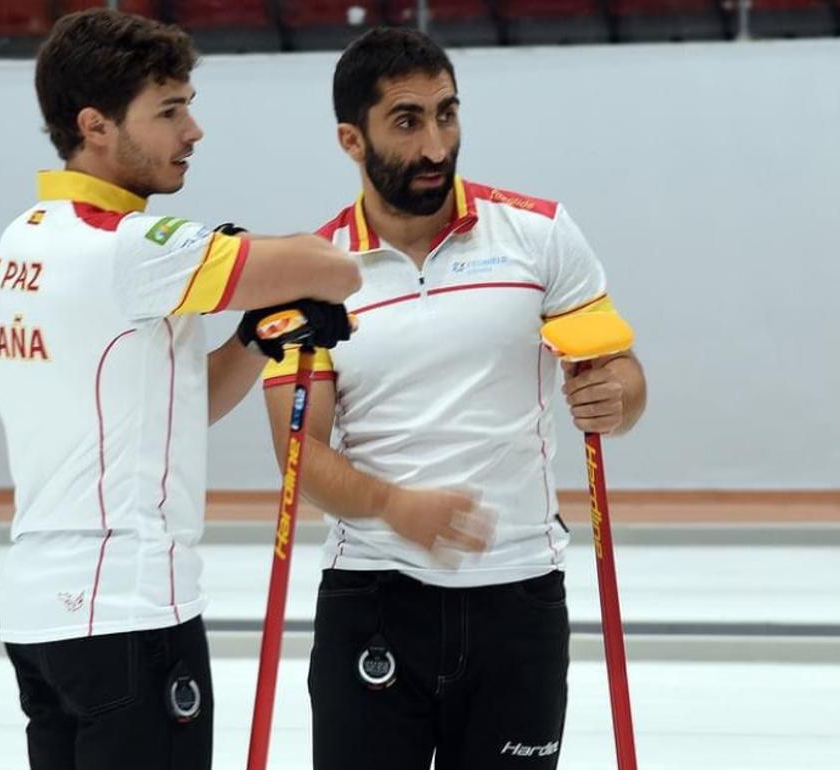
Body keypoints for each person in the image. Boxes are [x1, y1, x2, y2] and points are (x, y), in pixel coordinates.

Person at [0, 9, 359, 769]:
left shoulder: (21, 237)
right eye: (170, 111)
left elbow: (185, 403)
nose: (194, 131)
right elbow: (334, 266)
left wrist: (256, 336)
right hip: (131, 612)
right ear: (96, 126)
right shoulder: (132, 251)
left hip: (43, 620)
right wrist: (244, 257)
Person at [261, 28, 647, 770]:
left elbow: (623, 376)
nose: (437, 145)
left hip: (521, 596)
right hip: (372, 595)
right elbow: (296, 454)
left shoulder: (539, 236)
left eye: (448, 114)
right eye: (408, 121)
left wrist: (616, 398)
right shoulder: (309, 271)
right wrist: (393, 507)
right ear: (351, 138)